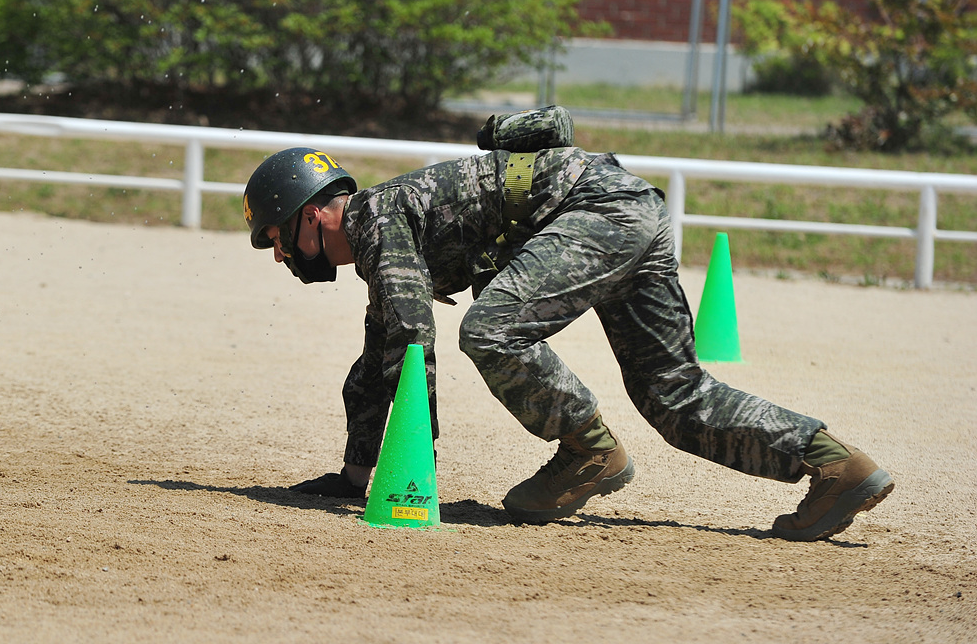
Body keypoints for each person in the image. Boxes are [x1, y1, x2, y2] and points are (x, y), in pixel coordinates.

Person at [241, 107, 895, 541]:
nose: (277, 255)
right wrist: (357, 478)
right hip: (629, 208)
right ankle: (836, 466)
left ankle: (589, 452)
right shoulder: (387, 224)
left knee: (489, 328)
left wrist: (414, 475)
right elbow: (380, 356)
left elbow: (411, 346)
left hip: (598, 211)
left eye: (274, 237)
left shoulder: (376, 220)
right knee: (671, 393)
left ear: (310, 214)